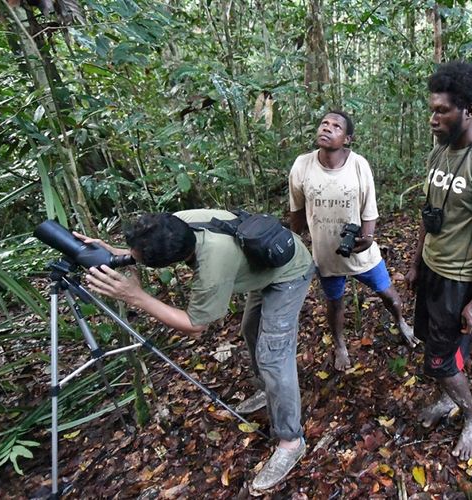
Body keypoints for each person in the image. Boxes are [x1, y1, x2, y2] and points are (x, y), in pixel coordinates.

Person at [76, 209, 315, 492]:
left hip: (289, 273)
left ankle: (291, 441)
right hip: (262, 266)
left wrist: (135, 296)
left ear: (172, 262)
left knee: (274, 355)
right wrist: (116, 253)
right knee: (250, 330)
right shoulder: (174, 225)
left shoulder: (212, 266)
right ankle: (268, 391)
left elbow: (194, 324)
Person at [405, 62, 472, 460]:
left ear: (467, 110)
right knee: (430, 345)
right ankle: (448, 400)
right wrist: (416, 262)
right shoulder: (439, 151)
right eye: (431, 110)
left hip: (458, 278)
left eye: (441, 111)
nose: (433, 119)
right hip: (432, 268)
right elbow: (429, 212)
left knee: (442, 357)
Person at [288, 110, 417, 372]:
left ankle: (402, 322)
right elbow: (298, 210)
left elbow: (369, 208)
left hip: (360, 252)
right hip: (326, 255)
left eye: (336, 126)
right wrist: (293, 241)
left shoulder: (358, 164)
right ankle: (340, 346)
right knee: (334, 303)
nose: (327, 128)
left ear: (347, 139)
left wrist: (368, 238)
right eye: (324, 123)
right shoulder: (302, 165)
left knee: (388, 295)